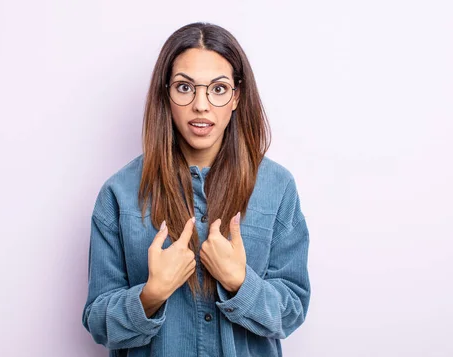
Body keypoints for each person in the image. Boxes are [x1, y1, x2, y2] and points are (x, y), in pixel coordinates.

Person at [82, 22, 311, 357]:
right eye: (184, 87)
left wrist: (239, 283)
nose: (201, 105)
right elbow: (98, 321)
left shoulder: (277, 187)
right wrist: (152, 294)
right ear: (165, 94)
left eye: (217, 89)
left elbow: (291, 311)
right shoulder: (118, 194)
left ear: (236, 96)